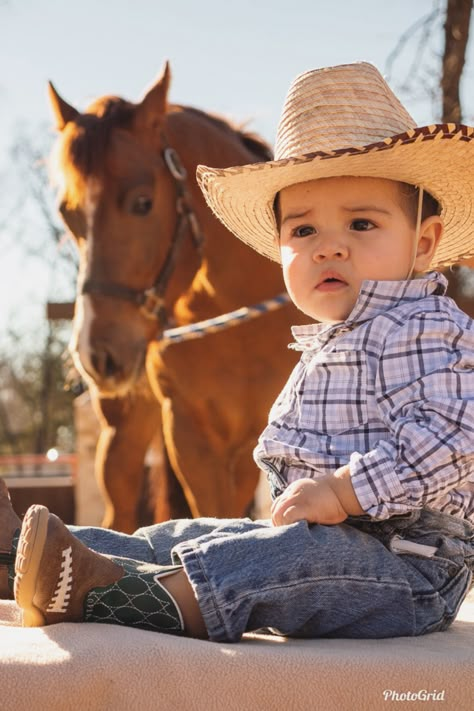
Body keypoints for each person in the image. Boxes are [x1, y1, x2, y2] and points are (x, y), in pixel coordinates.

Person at [2, 61, 474, 641]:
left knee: (264, 564)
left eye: (360, 223)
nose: (329, 248)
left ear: (424, 244)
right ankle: (32, 553)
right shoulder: (329, 340)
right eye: (303, 232)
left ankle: (117, 595)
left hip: (409, 566)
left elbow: (452, 439)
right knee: (182, 533)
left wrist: (339, 491)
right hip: (331, 543)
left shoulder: (424, 327)